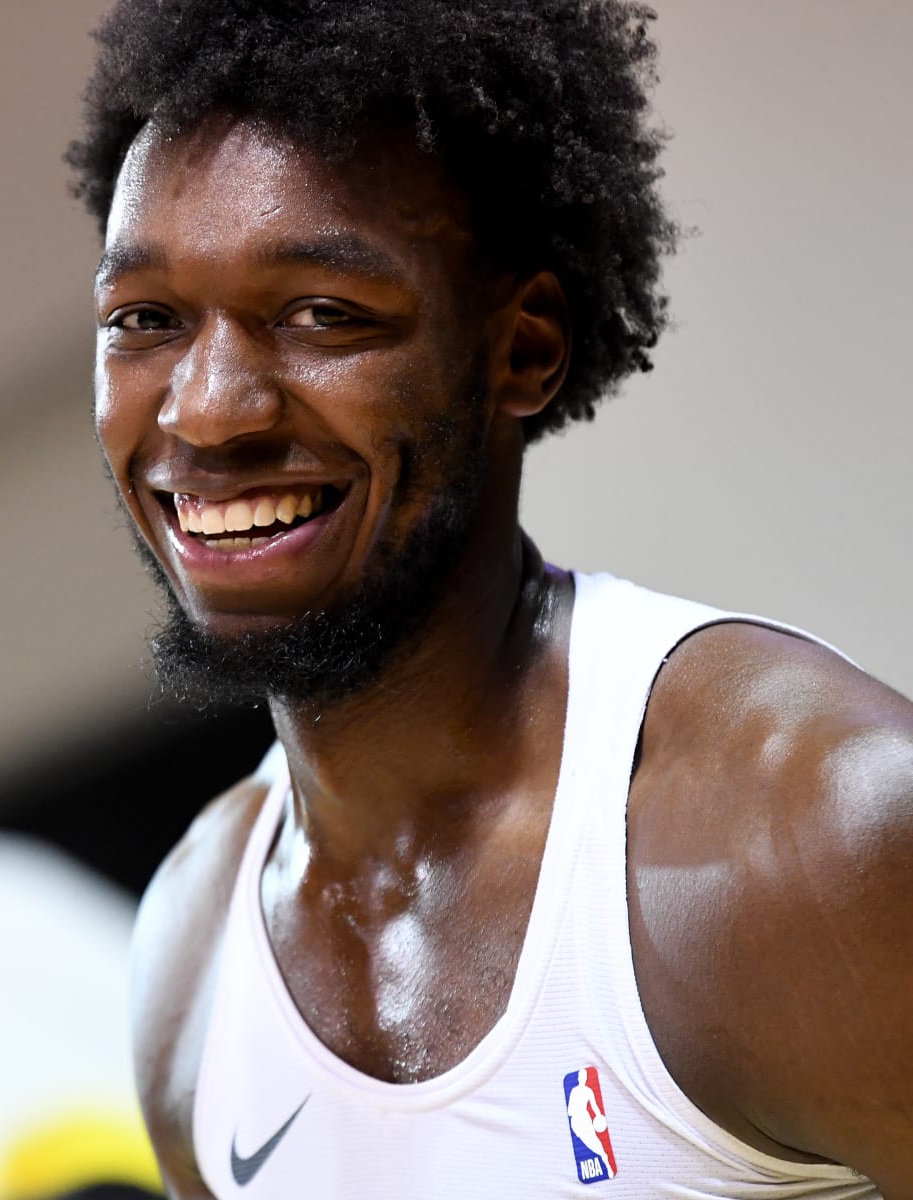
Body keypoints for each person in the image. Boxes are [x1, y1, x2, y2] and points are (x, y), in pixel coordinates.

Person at [67, 0, 913, 1194]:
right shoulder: (196, 965)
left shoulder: (814, 836)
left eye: (321, 314)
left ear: (522, 351)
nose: (207, 410)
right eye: (144, 321)